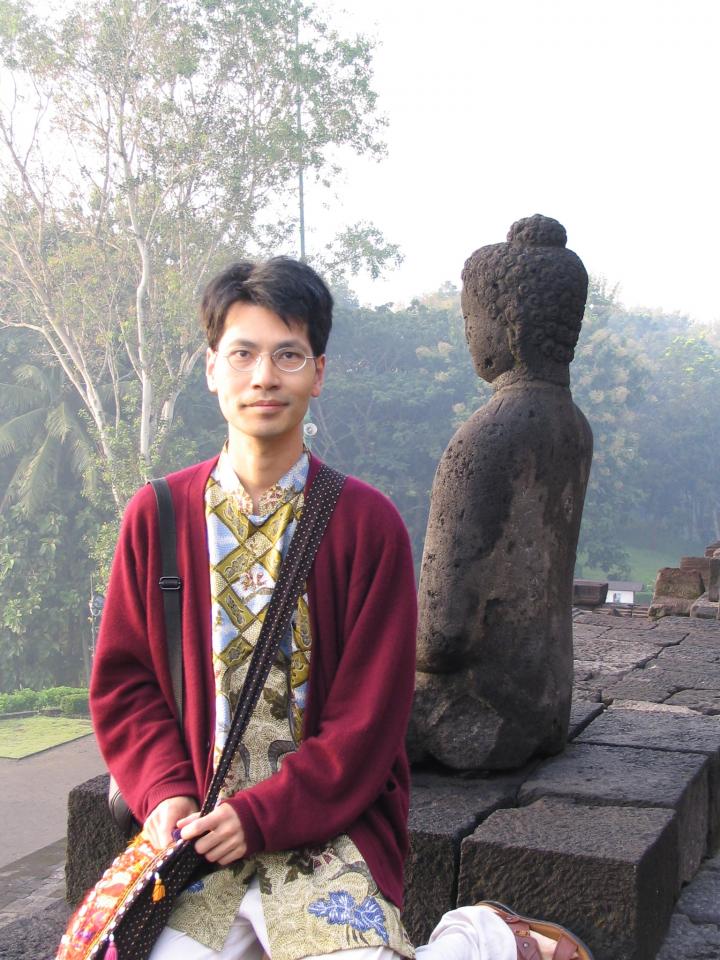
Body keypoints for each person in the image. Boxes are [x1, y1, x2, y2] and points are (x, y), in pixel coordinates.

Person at [90, 258, 592, 960]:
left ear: (317, 373)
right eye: (243, 354)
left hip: (327, 832)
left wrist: (260, 816)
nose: (264, 376)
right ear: (212, 369)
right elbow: (127, 683)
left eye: (287, 355)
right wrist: (166, 794)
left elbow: (369, 722)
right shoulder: (159, 516)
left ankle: (483, 939)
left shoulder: (365, 524)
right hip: (198, 830)